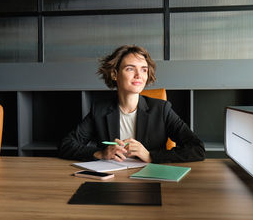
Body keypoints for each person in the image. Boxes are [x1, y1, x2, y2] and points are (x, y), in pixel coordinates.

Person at [59, 45, 205, 163]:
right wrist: (101, 153)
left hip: (151, 180)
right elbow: (66, 145)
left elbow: (197, 148)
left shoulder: (162, 110)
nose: (138, 75)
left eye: (143, 70)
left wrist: (150, 156)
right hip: (112, 180)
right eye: (130, 68)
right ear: (115, 74)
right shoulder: (100, 110)